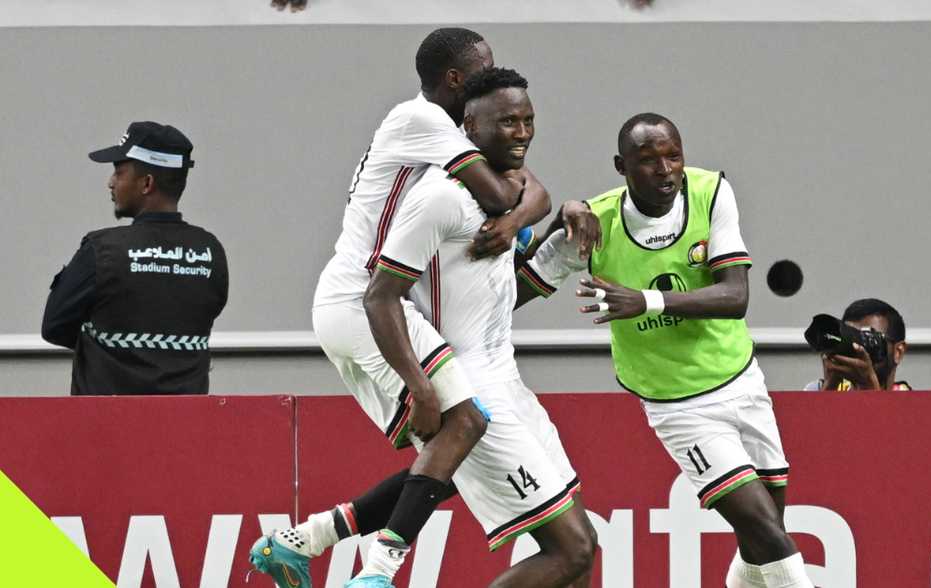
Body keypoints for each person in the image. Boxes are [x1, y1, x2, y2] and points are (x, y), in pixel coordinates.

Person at [248, 28, 556, 588]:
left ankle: (303, 540)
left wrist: (515, 219)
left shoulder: (446, 128)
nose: (494, 78)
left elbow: (534, 192)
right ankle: (376, 573)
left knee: (455, 454)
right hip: (365, 299)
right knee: (464, 423)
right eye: (483, 69)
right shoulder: (425, 122)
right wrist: (419, 385)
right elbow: (503, 191)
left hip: (372, 301)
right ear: (456, 80)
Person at [518, 113, 814, 587]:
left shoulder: (711, 192)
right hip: (679, 406)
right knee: (766, 532)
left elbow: (735, 297)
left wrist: (645, 301)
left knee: (763, 538)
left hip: (742, 382)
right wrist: (560, 215)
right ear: (621, 166)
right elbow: (517, 290)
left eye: (673, 156)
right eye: (648, 160)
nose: (665, 170)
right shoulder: (596, 225)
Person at [359, 66, 596, 588]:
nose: (522, 132)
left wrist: (561, 230)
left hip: (507, 381)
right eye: (507, 121)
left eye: (528, 119)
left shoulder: (506, 193)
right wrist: (422, 388)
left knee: (579, 551)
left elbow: (500, 297)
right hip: (471, 389)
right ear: (468, 125)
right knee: (572, 548)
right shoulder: (440, 197)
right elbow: (379, 298)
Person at [41, 121, 228, 396]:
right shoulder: (210, 252)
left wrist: (110, 344)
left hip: (105, 430)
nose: (111, 182)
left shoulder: (101, 250)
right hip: (187, 430)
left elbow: (54, 327)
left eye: (119, 171)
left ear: (147, 183)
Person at [805, 298, 911, 391]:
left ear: (898, 352)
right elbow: (817, 414)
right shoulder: (816, 391)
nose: (857, 349)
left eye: (869, 337)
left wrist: (868, 389)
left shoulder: (914, 404)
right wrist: (830, 388)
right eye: (850, 338)